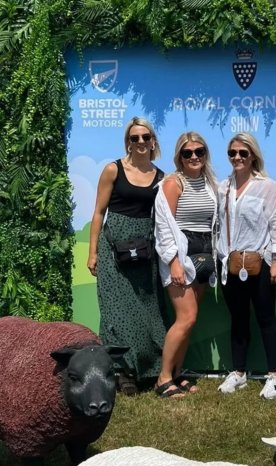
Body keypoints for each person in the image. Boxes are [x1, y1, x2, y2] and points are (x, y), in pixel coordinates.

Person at [87, 116, 168, 396]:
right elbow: (98, 213)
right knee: (116, 311)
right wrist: (93, 252)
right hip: (112, 249)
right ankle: (122, 372)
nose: (141, 141)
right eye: (135, 138)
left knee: (147, 311)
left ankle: (149, 368)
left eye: (146, 137)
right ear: (128, 143)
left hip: (144, 251)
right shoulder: (113, 169)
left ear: (153, 141)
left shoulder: (161, 178)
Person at [216, 132, 276, 400]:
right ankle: (239, 372)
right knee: (238, 318)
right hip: (230, 263)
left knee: (266, 318)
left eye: (243, 153)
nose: (237, 157)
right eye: (232, 153)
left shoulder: (268, 187)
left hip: (261, 262)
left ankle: (274, 375)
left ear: (253, 156)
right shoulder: (223, 187)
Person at [154, 132, 218, 398]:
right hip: (181, 253)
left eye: (199, 151)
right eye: (187, 153)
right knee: (186, 317)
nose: (194, 157)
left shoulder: (210, 182)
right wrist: (174, 262)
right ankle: (163, 378)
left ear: (205, 154)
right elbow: (163, 226)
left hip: (204, 253)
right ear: (179, 156)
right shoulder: (172, 183)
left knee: (191, 321)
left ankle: (178, 373)